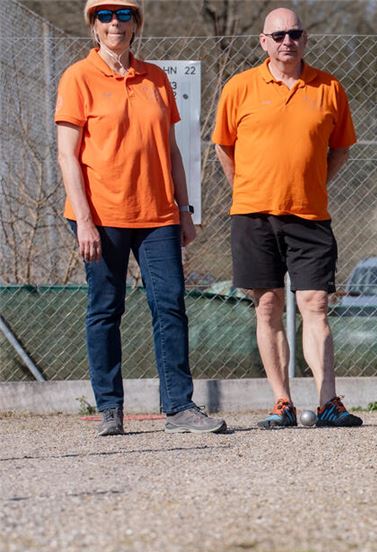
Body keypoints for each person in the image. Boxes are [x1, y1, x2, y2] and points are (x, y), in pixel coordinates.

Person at [55, 0, 227, 436]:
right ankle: (110, 409)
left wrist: (185, 210)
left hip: (157, 214)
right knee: (105, 309)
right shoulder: (79, 77)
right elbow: (67, 155)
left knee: (169, 306)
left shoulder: (155, 78)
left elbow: (171, 151)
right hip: (102, 214)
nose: (115, 23)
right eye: (106, 16)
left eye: (124, 15)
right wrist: (86, 221)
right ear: (94, 26)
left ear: (137, 24)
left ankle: (179, 408)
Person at [212, 8, 361, 429]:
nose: (286, 41)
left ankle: (328, 402)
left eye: (294, 33)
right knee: (268, 306)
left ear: (305, 38)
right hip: (252, 215)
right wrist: (244, 187)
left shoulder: (329, 88)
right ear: (264, 41)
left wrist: (313, 183)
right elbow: (223, 145)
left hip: (310, 215)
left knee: (315, 304)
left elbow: (341, 149)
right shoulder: (239, 87)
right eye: (277, 35)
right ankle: (282, 403)